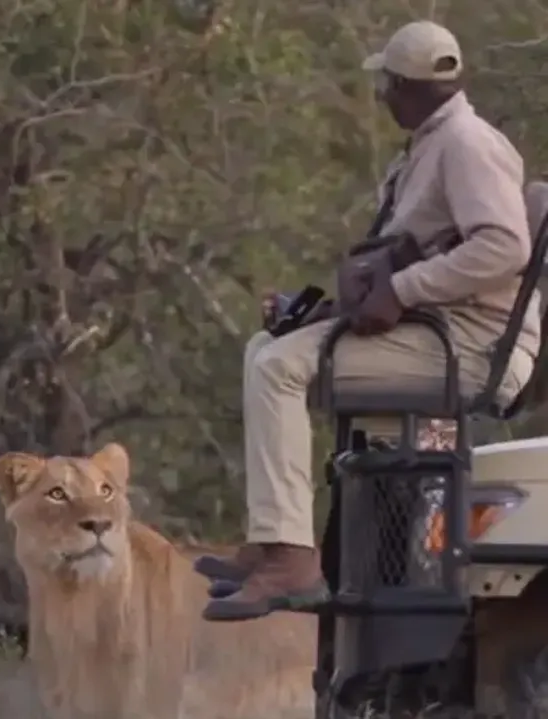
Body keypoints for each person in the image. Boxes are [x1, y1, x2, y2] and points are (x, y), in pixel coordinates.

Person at [198, 20, 540, 622]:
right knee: (264, 348)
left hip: (470, 345)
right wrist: (337, 309)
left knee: (278, 367)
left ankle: (293, 561)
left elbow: (504, 247)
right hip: (437, 331)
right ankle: (274, 538)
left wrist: (403, 290)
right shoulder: (433, 143)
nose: (381, 97)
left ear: (406, 87)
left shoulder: (465, 144)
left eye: (387, 84)